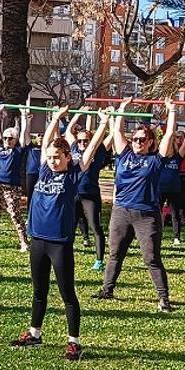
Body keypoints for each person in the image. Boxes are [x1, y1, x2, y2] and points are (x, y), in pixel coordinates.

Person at [11, 106, 111, 361]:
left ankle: (73, 342)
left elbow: (88, 153)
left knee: (67, 294)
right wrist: (55, 118)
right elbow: (46, 141)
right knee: (38, 290)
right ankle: (35, 333)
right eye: (52, 156)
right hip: (38, 241)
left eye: (59, 157)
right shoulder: (45, 169)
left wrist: (103, 124)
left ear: (68, 157)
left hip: (59, 244)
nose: (54, 160)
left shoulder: (73, 175)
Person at [93, 97, 177, 312]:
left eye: (143, 139)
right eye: (136, 139)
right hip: (121, 211)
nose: (138, 142)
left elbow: (168, 137)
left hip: (147, 215)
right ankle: (107, 289)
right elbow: (119, 132)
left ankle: (163, 298)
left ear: (150, 142)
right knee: (115, 254)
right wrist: (122, 109)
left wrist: (172, 112)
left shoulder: (156, 160)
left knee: (151, 258)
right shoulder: (124, 155)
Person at [64, 110, 111, 271]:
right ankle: (65, 255)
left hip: (90, 195)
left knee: (95, 227)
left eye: (85, 141)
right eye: (80, 141)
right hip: (73, 194)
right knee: (69, 226)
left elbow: (101, 136)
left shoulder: (97, 152)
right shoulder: (74, 149)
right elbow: (68, 132)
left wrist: (108, 119)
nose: (82, 143)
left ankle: (99, 260)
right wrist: (78, 114)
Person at [0, 108, 31, 250]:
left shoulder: (18, 149)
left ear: (15, 139)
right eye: (5, 138)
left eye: (10, 138)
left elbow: (24, 135)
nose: (7, 140)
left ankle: (24, 242)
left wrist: (24, 117)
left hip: (11, 186)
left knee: (15, 214)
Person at [162, 123, 185, 246]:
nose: (177, 141)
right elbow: (166, 137)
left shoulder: (178, 157)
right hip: (161, 189)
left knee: (175, 213)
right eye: (175, 138)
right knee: (156, 212)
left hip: (174, 188)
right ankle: (155, 233)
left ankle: (176, 237)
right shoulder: (161, 157)